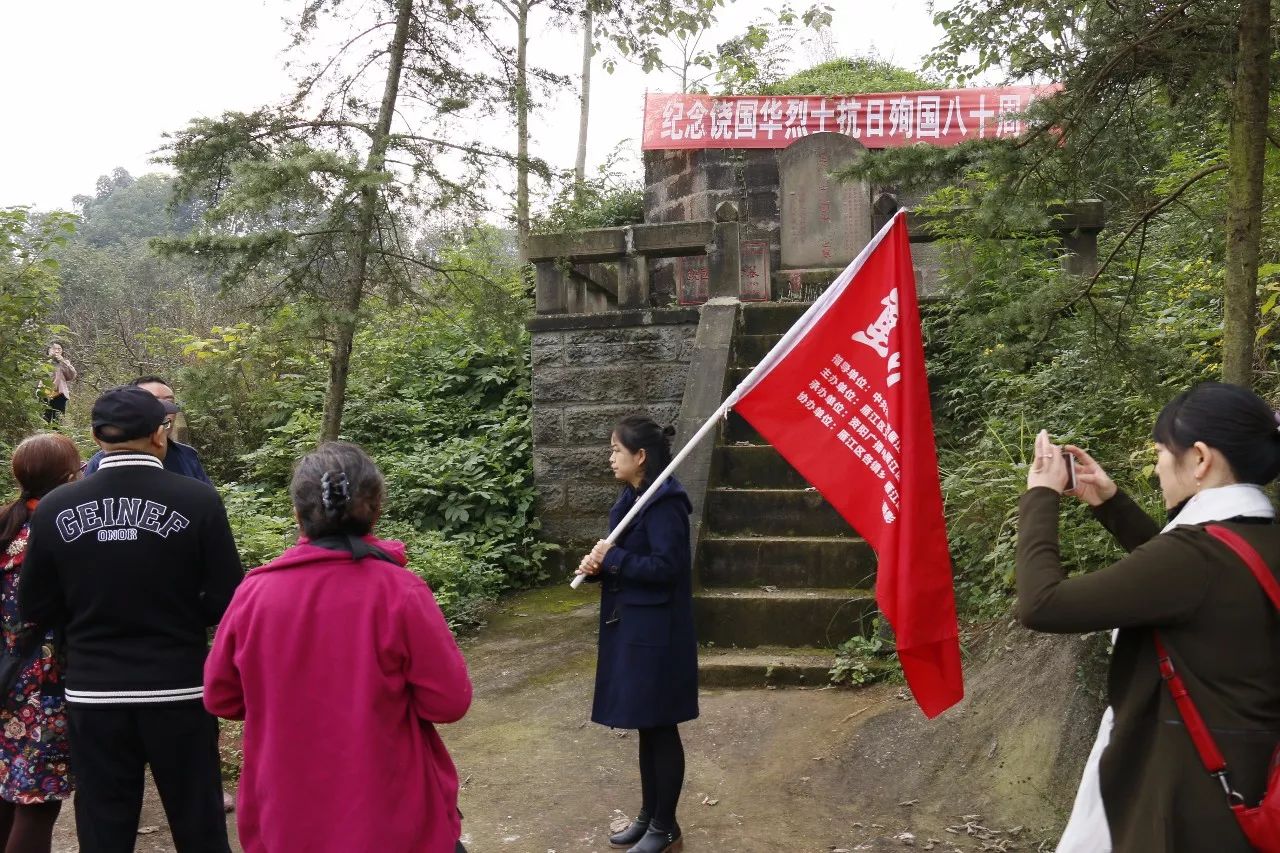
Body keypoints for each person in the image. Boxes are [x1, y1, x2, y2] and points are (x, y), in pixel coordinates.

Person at [1017, 381, 1280, 852]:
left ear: (1200, 458)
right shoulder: (1257, 540)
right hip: (1255, 783)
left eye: (1161, 452)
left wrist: (1040, 496)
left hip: (1187, 800)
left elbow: (1042, 604)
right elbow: (1188, 589)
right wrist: (1109, 502)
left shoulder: (1194, 559)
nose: (1157, 467)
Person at [203, 441, 472, 853]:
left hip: (288, 819)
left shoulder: (254, 595)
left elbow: (221, 697)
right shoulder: (400, 592)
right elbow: (448, 702)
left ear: (297, 513)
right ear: (377, 509)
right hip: (393, 816)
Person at [19, 386, 243, 853]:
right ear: (160, 435)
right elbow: (229, 598)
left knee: (103, 828)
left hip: (94, 693)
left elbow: (34, 607)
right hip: (179, 688)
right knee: (198, 819)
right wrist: (183, 616)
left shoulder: (56, 509)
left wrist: (83, 618)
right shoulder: (198, 501)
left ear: (97, 437)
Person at [576, 415, 697, 853]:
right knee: (648, 725)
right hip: (635, 627)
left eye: (616, 451)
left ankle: (666, 828)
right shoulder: (632, 497)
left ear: (640, 456)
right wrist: (597, 569)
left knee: (661, 726)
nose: (610, 458)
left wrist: (613, 562)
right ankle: (649, 816)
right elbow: (622, 557)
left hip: (659, 634)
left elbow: (668, 569)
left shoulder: (665, 503)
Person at [0, 434, 79, 852]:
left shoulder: (7, 524)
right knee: (37, 797)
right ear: (67, 476)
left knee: (7, 789)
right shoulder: (56, 533)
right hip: (41, 683)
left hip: (6, 674)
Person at [84, 376, 210, 485]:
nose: (163, 412)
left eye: (169, 402)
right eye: (152, 402)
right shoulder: (100, 463)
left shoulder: (187, 456)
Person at [39, 345, 75, 425]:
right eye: (54, 349)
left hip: (60, 394)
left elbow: (71, 376)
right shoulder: (43, 362)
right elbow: (39, 375)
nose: (57, 351)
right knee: (44, 419)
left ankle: (57, 436)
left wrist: (63, 362)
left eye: (59, 349)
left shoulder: (65, 362)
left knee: (58, 420)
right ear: (48, 350)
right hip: (45, 392)